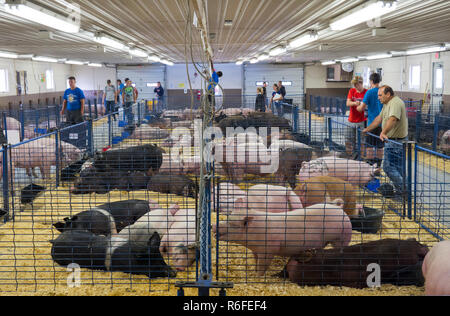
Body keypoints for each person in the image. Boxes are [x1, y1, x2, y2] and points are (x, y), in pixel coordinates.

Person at [363, 85, 408, 196]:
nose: (378, 98)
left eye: (380, 95)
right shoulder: (387, 104)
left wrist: (383, 132)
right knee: (398, 168)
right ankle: (403, 192)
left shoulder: (396, 103)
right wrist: (367, 129)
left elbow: (393, 119)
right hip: (393, 140)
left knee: (387, 167)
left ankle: (404, 190)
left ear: (388, 94)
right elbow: (379, 118)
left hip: (396, 141)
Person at [357, 73, 384, 162]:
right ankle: (379, 167)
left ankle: (370, 167)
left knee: (369, 146)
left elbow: (361, 108)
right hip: (382, 124)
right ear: (379, 81)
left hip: (371, 124)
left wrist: (357, 106)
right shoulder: (383, 91)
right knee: (380, 146)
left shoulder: (369, 92)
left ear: (371, 81)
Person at [346, 76, 367, 159]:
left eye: (356, 84)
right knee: (350, 139)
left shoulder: (366, 92)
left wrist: (362, 105)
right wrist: (355, 103)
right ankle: (351, 156)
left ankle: (361, 157)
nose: (355, 86)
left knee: (362, 140)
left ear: (361, 83)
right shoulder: (352, 91)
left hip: (361, 120)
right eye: (354, 84)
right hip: (351, 120)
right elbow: (348, 103)